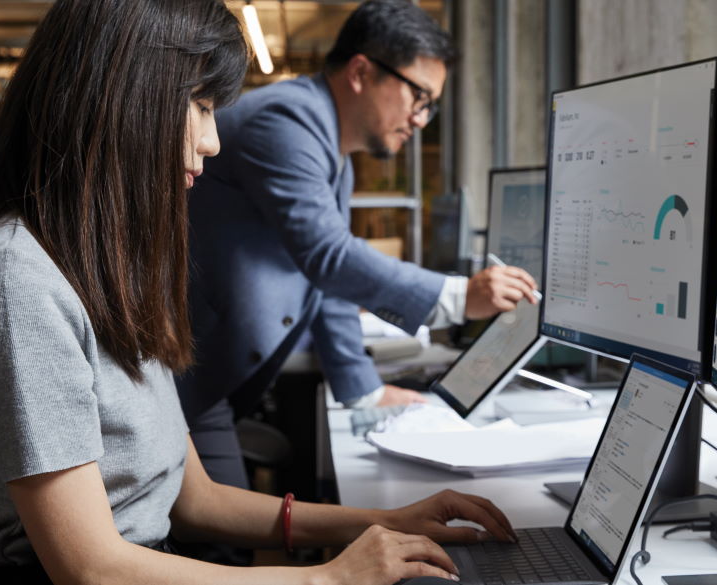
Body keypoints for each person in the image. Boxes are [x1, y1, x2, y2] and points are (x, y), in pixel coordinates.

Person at [0, 0, 518, 583]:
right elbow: (91, 569)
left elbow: (196, 500)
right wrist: (329, 577)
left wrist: (383, 520)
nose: (213, 141)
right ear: (122, 97)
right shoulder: (18, 281)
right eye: (201, 105)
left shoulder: (113, 271)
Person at [178, 0, 539, 492]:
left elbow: (324, 283)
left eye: (431, 105)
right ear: (362, 72)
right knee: (218, 548)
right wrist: (455, 297)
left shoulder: (332, 148)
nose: (421, 119)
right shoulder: (287, 119)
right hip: (186, 372)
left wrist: (364, 391)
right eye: (419, 96)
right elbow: (327, 256)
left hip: (214, 374)